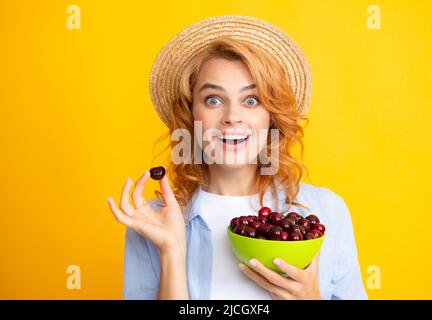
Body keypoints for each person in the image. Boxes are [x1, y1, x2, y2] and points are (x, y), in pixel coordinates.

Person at [106, 15, 367, 300]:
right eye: (213, 100)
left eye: (251, 100)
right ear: (190, 113)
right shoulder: (153, 221)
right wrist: (171, 252)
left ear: (272, 117)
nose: (232, 117)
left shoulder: (326, 212)